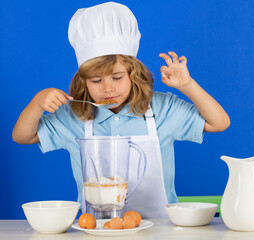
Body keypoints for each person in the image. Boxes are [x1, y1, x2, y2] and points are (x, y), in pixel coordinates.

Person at [12, 2, 230, 218]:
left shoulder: (163, 109)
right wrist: (37, 103)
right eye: (96, 80)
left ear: (133, 73)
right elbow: (23, 136)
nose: (108, 88)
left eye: (117, 77)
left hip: (162, 229)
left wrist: (187, 86)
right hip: (96, 228)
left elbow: (219, 122)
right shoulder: (75, 115)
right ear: (83, 82)